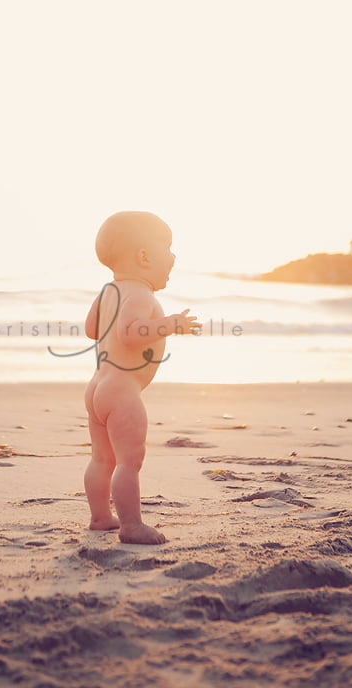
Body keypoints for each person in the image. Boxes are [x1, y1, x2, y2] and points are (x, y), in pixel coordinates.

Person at [84, 211, 201, 544]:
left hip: (97, 387)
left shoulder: (108, 291)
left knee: (101, 458)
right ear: (145, 257)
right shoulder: (140, 295)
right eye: (168, 247)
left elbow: (92, 329)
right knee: (129, 461)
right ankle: (131, 525)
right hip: (123, 391)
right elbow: (130, 333)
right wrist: (170, 325)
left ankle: (100, 516)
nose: (174, 256)